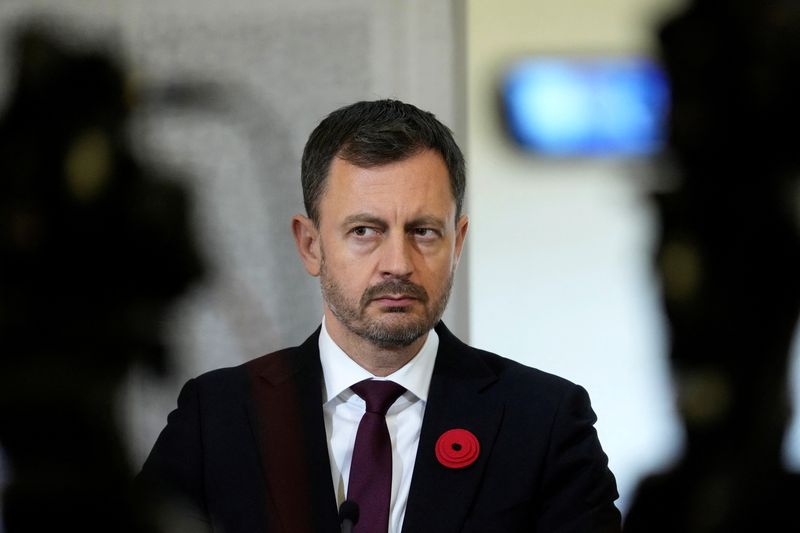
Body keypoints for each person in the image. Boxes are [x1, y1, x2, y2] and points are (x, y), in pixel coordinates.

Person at [138, 99, 621, 533]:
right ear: (310, 245)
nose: (398, 262)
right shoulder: (217, 417)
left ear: (458, 243)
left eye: (425, 231)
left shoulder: (544, 421)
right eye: (365, 230)